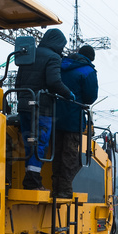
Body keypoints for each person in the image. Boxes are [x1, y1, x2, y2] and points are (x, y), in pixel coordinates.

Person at [14, 28, 74, 190]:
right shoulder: (53, 57)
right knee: (40, 143)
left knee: (29, 143)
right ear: (57, 43)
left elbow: (17, 83)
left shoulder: (30, 55)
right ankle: (32, 182)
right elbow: (54, 81)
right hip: (42, 108)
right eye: (62, 45)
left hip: (24, 107)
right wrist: (68, 94)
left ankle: (30, 178)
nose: (62, 49)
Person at [52, 44, 99, 198]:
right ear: (91, 58)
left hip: (54, 116)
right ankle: (64, 190)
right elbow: (90, 97)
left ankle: (55, 187)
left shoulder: (60, 64)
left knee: (56, 153)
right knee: (71, 155)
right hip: (73, 119)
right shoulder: (87, 71)